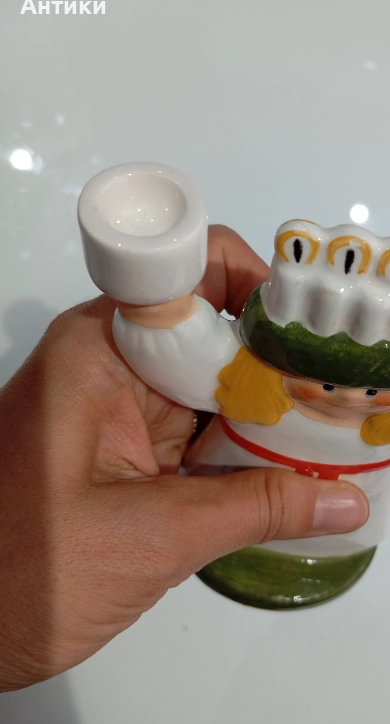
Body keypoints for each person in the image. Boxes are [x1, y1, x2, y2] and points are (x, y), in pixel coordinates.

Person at [0, 226, 370, 692]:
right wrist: (159, 310)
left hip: (339, 540)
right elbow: (184, 356)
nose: (347, 398)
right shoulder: (241, 373)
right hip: (224, 479)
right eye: (328, 384)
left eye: (372, 391)